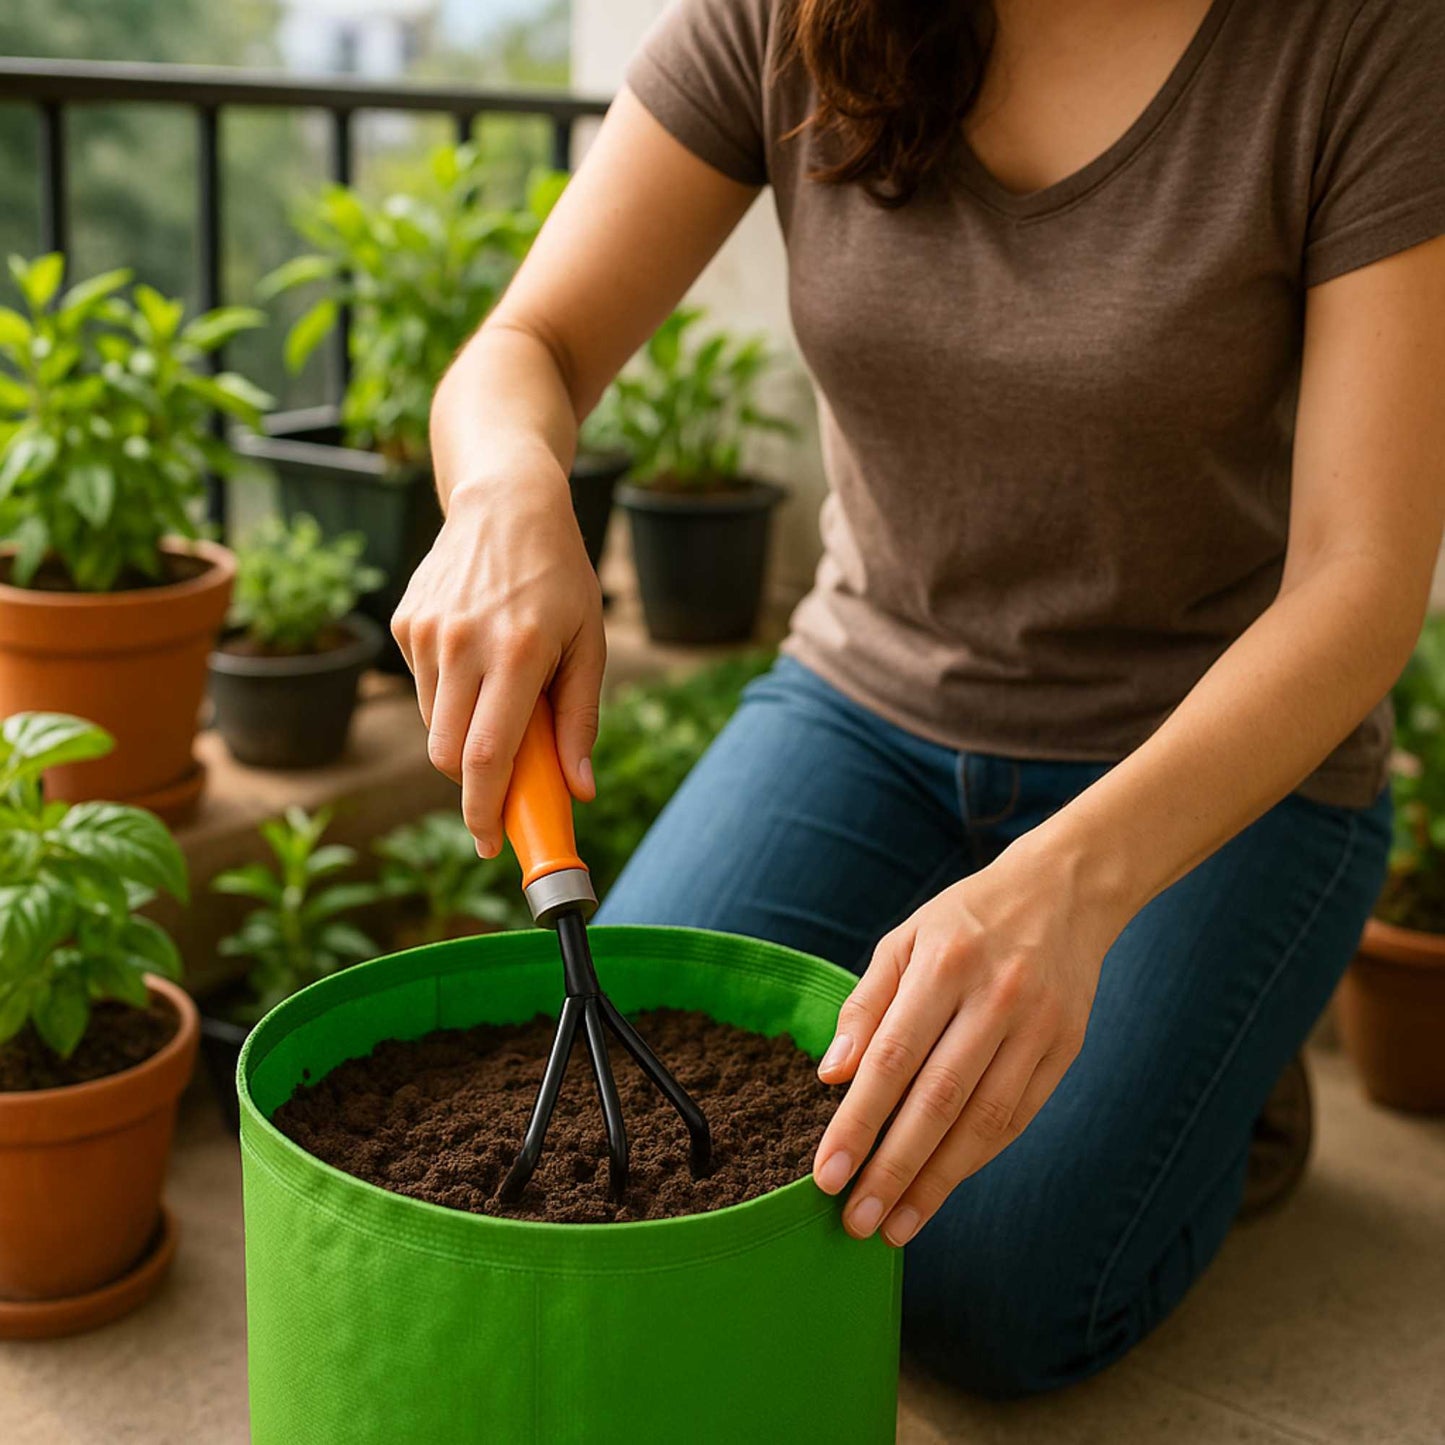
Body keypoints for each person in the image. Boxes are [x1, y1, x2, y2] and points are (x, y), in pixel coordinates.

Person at [392, 0, 1445, 1396]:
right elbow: (523, 348)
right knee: (632, 1140)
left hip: (1207, 772)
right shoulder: (782, 15)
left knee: (971, 1289)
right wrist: (507, 483)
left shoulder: (1363, 41)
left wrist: (1068, 893)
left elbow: (1359, 582)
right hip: (861, 715)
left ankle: (1209, 1085)